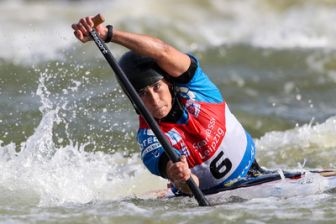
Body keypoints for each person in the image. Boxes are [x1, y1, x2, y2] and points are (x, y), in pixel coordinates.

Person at [72, 15, 260, 195]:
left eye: (156, 87)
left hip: (253, 175)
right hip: (211, 195)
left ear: (169, 83)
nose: (153, 99)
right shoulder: (149, 137)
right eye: (142, 94)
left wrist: (108, 34)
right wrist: (181, 177)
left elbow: (162, 51)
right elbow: (188, 183)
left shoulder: (198, 87)